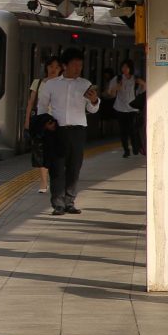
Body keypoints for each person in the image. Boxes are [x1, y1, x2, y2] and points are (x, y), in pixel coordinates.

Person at [38, 49, 99, 214]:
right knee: (57, 167)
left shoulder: (85, 84)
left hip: (78, 130)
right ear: (64, 66)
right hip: (58, 130)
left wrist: (94, 101)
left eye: (80, 65)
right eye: (74, 65)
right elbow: (42, 107)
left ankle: (69, 201)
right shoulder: (51, 84)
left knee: (74, 167)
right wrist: (46, 123)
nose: (78, 68)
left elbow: (92, 110)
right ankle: (58, 203)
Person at [24, 54, 61, 195]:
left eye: (57, 67)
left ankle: (53, 178)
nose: (53, 69)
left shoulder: (61, 83)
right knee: (40, 151)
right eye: (51, 66)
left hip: (57, 120)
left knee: (55, 151)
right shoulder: (38, 82)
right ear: (46, 67)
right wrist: (27, 122)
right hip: (40, 121)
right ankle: (44, 182)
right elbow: (30, 103)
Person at [106, 60, 144, 157]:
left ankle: (135, 147)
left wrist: (142, 84)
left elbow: (144, 89)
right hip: (120, 108)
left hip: (132, 108)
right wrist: (116, 88)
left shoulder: (135, 79)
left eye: (127, 67)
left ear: (130, 68)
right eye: (123, 67)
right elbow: (110, 92)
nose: (125, 69)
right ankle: (126, 150)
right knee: (123, 131)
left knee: (133, 129)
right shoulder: (118, 79)